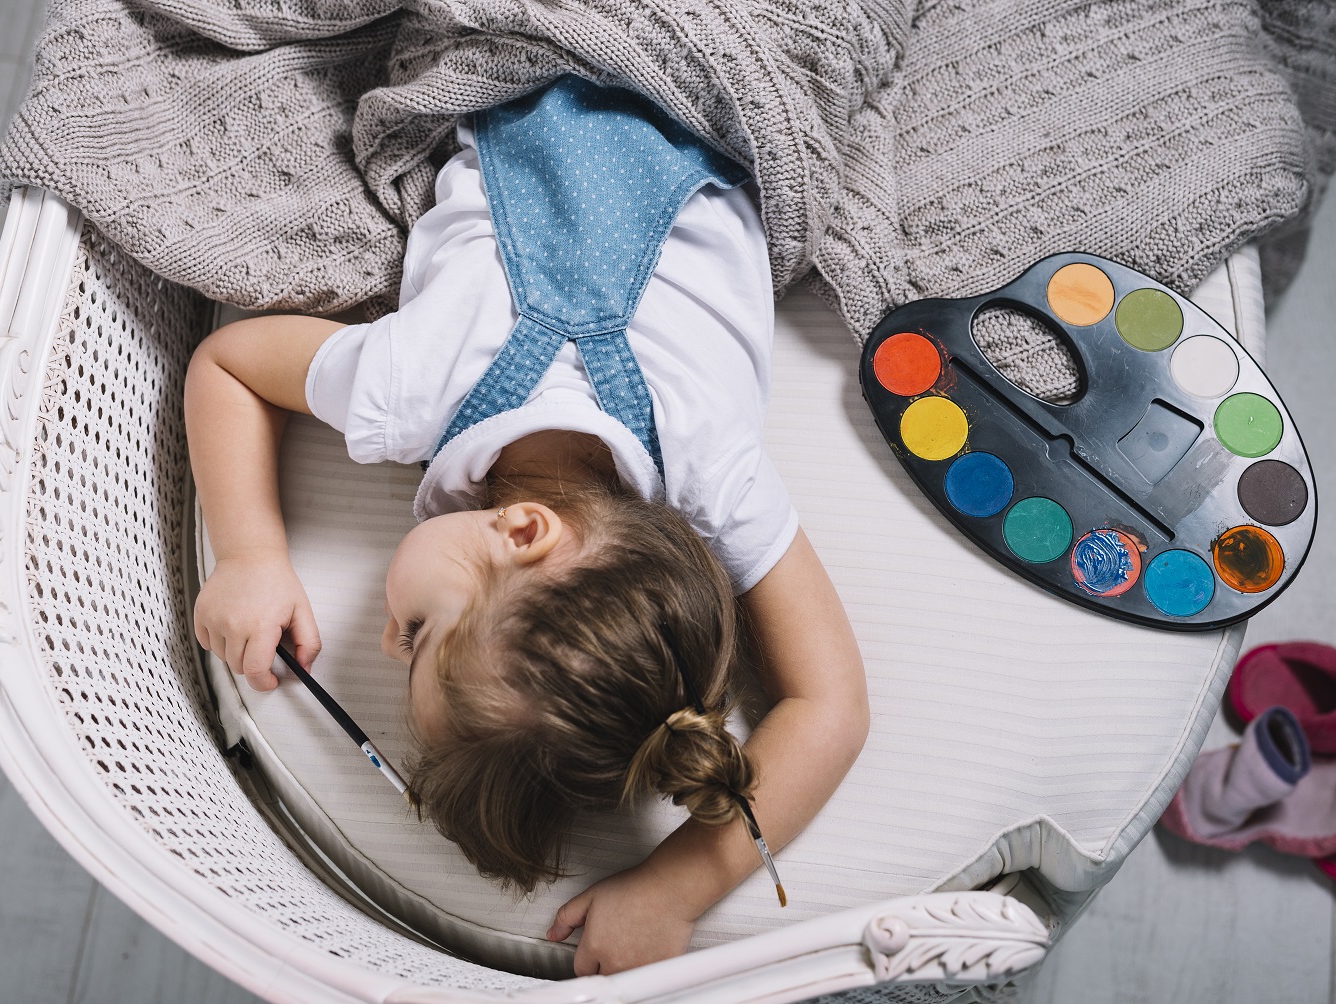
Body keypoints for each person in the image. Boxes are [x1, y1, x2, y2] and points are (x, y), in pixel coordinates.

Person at [185, 76, 868, 976]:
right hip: (634, 77)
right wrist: (248, 551)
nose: (388, 643)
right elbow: (226, 365)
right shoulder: (421, 382)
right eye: (421, 634)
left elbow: (831, 709)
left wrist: (676, 883)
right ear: (520, 533)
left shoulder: (706, 468)